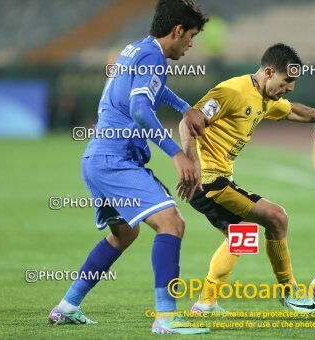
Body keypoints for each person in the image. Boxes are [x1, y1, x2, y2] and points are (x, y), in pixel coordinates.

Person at [48, 0, 211, 335]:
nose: (192, 44)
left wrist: (183, 108)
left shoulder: (135, 50)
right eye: (191, 35)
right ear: (177, 30)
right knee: (172, 224)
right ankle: (165, 319)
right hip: (115, 160)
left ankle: (67, 306)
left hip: (98, 159)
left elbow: (150, 89)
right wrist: (175, 153)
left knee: (124, 233)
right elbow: (139, 108)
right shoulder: (153, 57)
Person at [178, 43, 315, 314]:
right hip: (208, 180)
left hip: (217, 180)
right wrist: (191, 163)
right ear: (268, 72)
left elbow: (291, 110)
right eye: (287, 80)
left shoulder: (264, 98)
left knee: (241, 237)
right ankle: (288, 290)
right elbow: (188, 122)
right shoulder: (231, 91)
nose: (290, 87)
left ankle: (205, 303)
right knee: (276, 217)